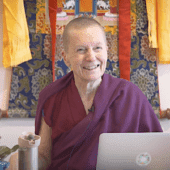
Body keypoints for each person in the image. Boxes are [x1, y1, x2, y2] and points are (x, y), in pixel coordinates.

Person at [7, 16, 163, 170]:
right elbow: (44, 157)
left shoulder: (130, 95)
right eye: (81, 50)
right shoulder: (52, 96)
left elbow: (156, 154)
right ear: (66, 58)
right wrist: (23, 159)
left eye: (97, 48)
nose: (91, 57)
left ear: (107, 51)